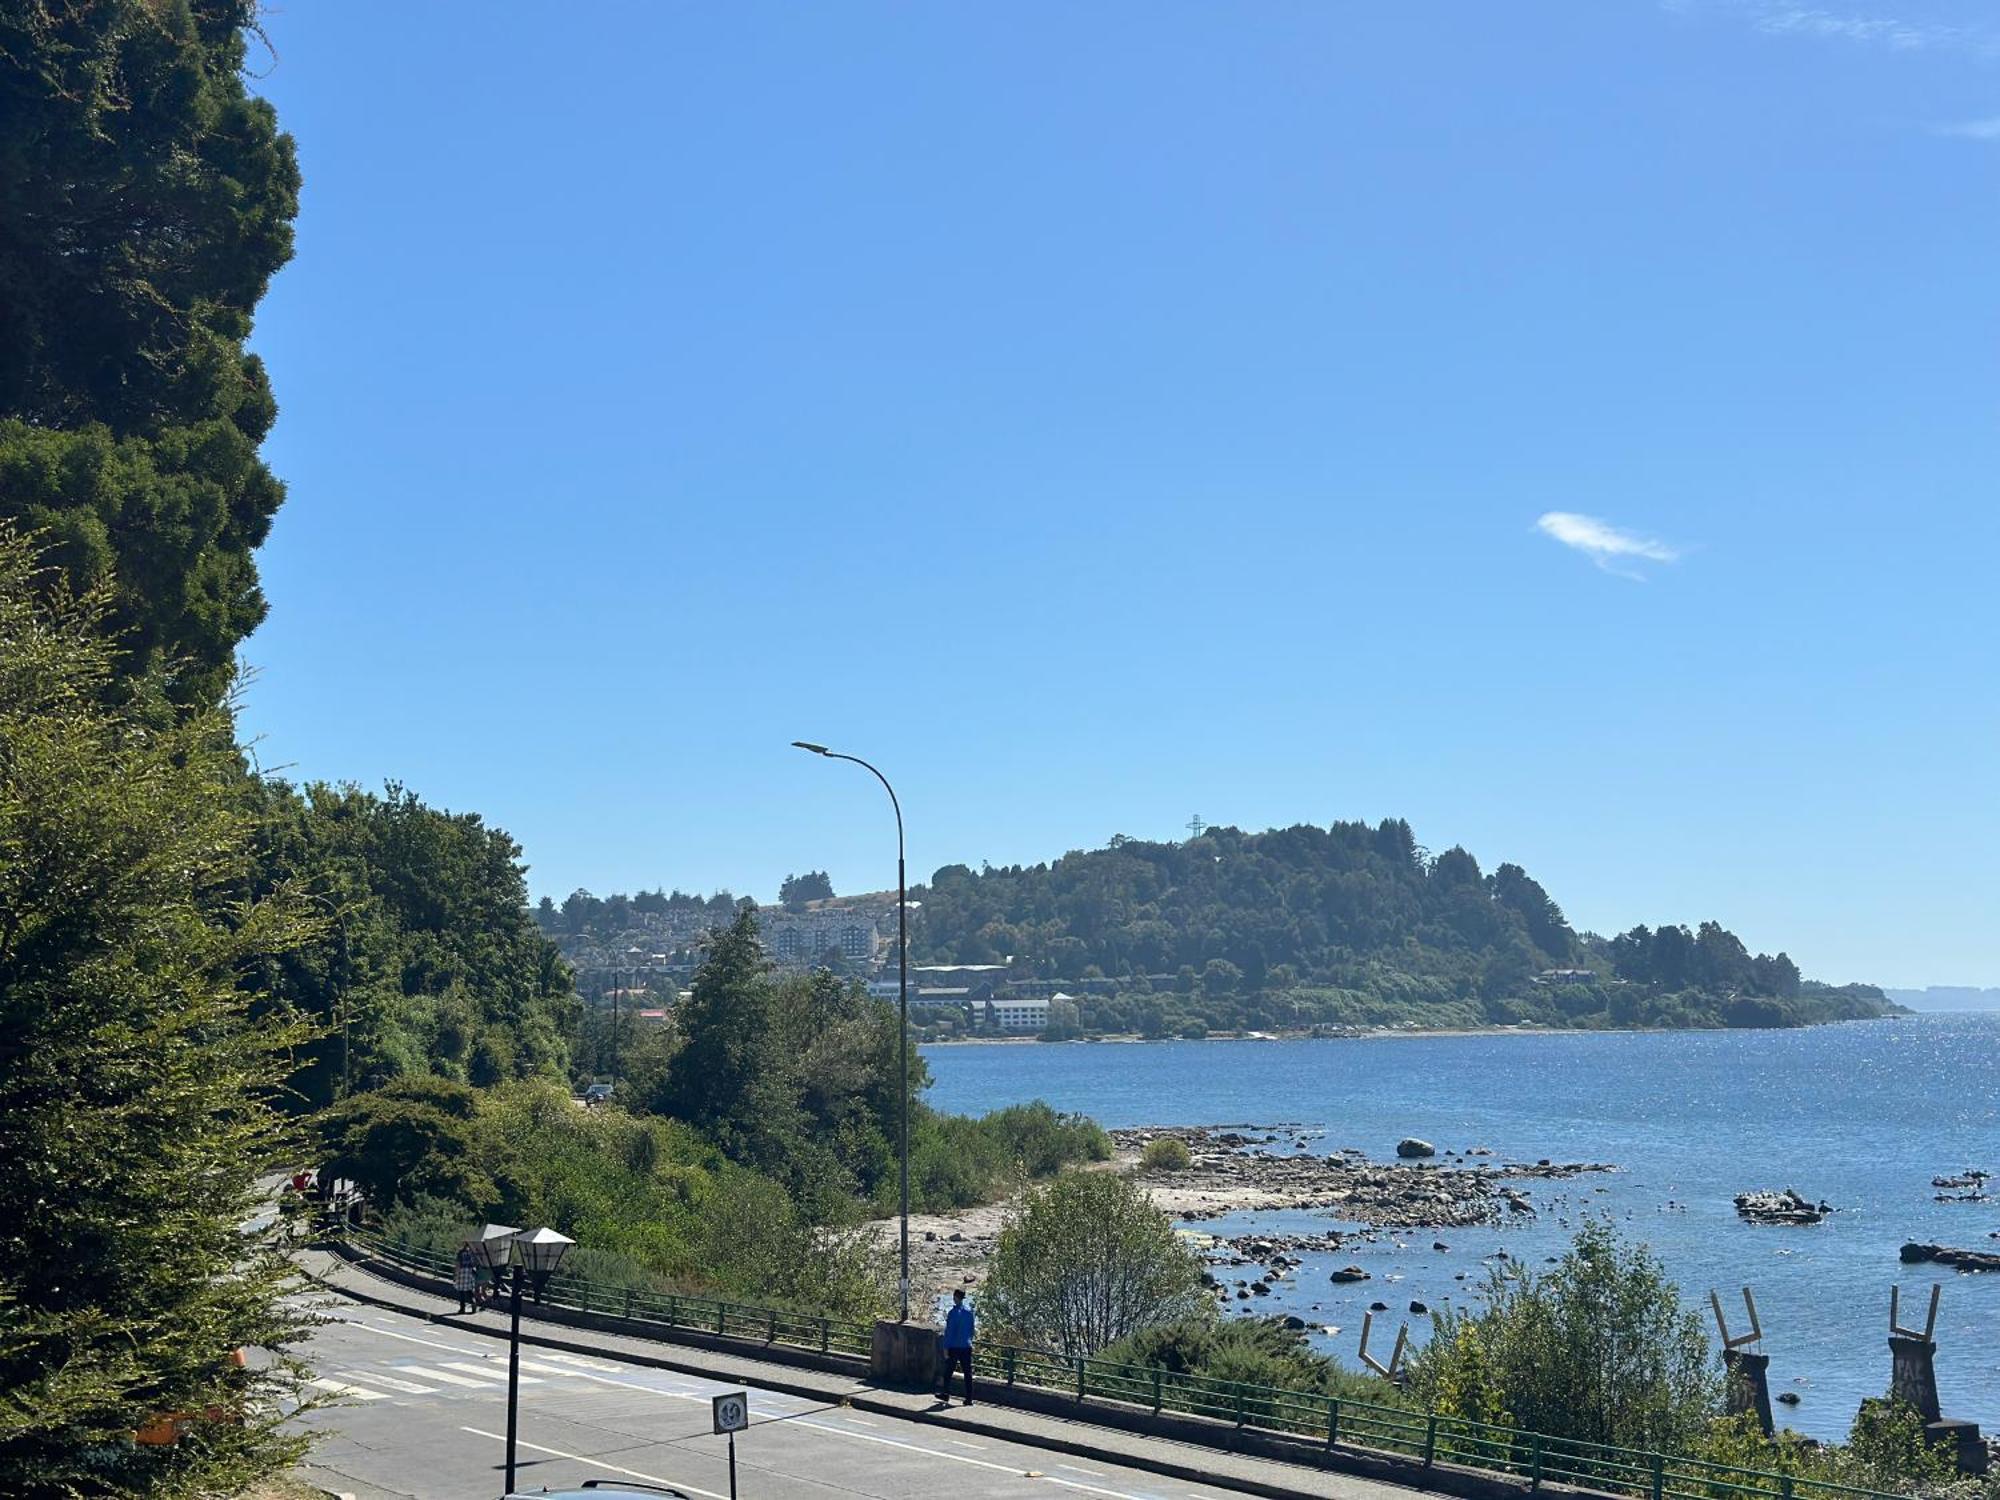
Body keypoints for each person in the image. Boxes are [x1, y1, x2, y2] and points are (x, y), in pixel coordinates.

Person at [938, 1287, 974, 1405]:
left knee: (948, 1372)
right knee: (967, 1373)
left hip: (954, 1346)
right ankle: (969, 1398)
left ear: (955, 1297)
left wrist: (945, 1347)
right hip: (966, 1346)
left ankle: (946, 1394)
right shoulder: (969, 1312)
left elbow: (949, 1332)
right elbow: (972, 1330)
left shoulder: (953, 1313)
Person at [454, 1242, 479, 1314]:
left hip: (462, 1272)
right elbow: (475, 1263)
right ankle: (473, 1302)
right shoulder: (471, 1252)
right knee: (469, 1290)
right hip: (470, 1272)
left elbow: (458, 1264)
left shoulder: (460, 1253)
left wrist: (455, 1275)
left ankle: (462, 1309)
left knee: (461, 1291)